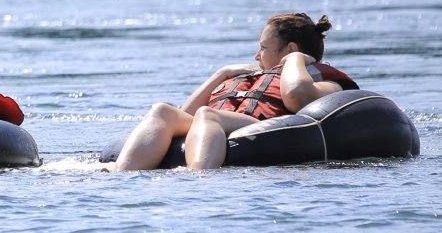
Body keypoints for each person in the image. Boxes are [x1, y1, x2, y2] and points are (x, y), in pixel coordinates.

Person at [113, 13, 358, 171]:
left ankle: (198, 178)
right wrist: (222, 74)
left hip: (258, 128)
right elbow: (186, 115)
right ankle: (122, 176)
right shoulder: (248, 75)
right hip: (217, 122)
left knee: (208, 114)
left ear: (290, 49)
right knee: (162, 111)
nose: (256, 56)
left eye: (263, 48)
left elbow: (297, 95)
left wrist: (295, 60)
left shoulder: (321, 79)